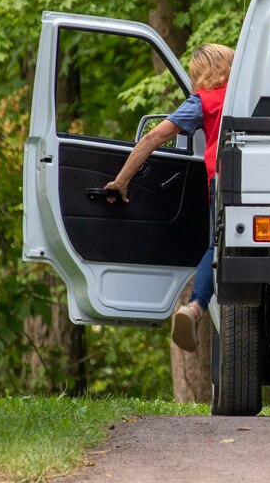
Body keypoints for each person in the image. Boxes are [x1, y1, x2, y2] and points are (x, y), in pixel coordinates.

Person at [104, 43, 235, 353]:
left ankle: (195, 308)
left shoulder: (200, 102)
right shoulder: (249, 91)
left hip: (225, 178)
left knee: (217, 246)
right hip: (268, 180)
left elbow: (153, 137)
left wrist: (121, 180)